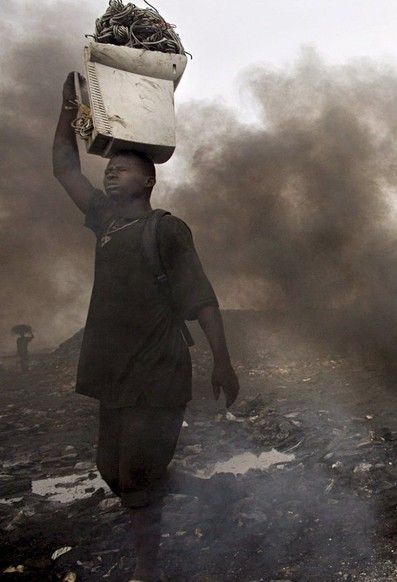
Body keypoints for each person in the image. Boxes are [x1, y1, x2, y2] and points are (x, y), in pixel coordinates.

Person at [53, 72, 240, 582]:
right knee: (109, 470)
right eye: (110, 168)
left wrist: (221, 360)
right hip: (113, 368)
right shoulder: (106, 222)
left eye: (123, 169)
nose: (111, 175)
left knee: (133, 476)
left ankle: (146, 571)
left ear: (149, 180)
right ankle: (167, 485)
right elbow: (65, 167)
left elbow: (201, 298)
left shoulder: (168, 229)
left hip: (157, 371)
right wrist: (69, 111)